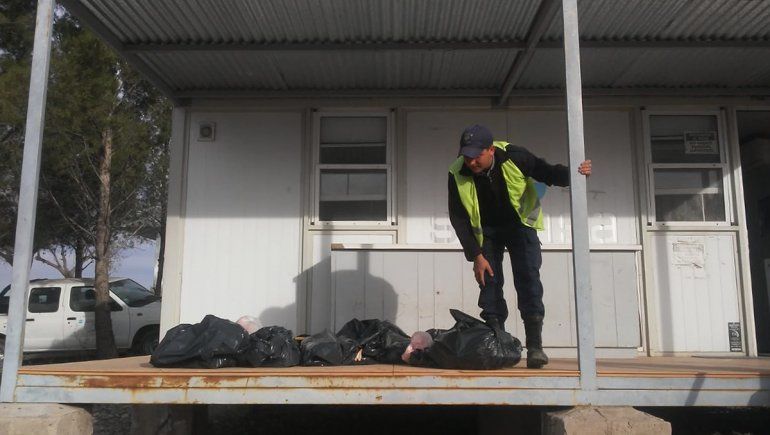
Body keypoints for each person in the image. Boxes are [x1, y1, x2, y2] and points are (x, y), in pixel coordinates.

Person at [447, 124, 591, 368]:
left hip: (520, 225)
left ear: (490, 150)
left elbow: (547, 172)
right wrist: (476, 256)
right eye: (467, 156)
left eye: (476, 156)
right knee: (489, 284)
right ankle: (498, 346)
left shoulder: (515, 156)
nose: (471, 162)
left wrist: (576, 174)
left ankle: (535, 347)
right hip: (487, 232)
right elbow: (458, 217)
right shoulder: (456, 172)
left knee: (528, 280)